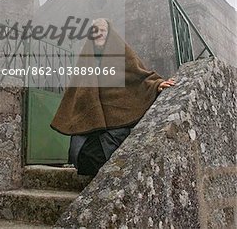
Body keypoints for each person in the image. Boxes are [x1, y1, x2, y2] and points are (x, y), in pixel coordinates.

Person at [50, 18, 175, 176]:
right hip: (92, 120)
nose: (99, 34)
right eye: (95, 31)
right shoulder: (86, 56)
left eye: (103, 30)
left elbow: (139, 74)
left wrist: (156, 84)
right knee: (82, 156)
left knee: (102, 156)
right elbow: (77, 85)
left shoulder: (121, 51)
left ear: (108, 33)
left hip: (117, 121)